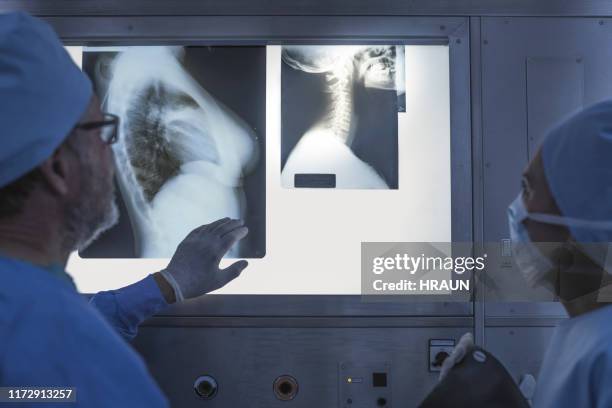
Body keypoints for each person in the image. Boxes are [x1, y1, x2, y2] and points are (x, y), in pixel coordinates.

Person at [0, 12, 249, 406]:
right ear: (58, 167)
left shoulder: (30, 322)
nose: (110, 151)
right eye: (100, 131)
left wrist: (169, 283)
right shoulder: (84, 373)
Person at [440, 100, 612, 407]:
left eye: (528, 189)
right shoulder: (587, 330)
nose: (516, 210)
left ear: (579, 219)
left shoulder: (605, 349)